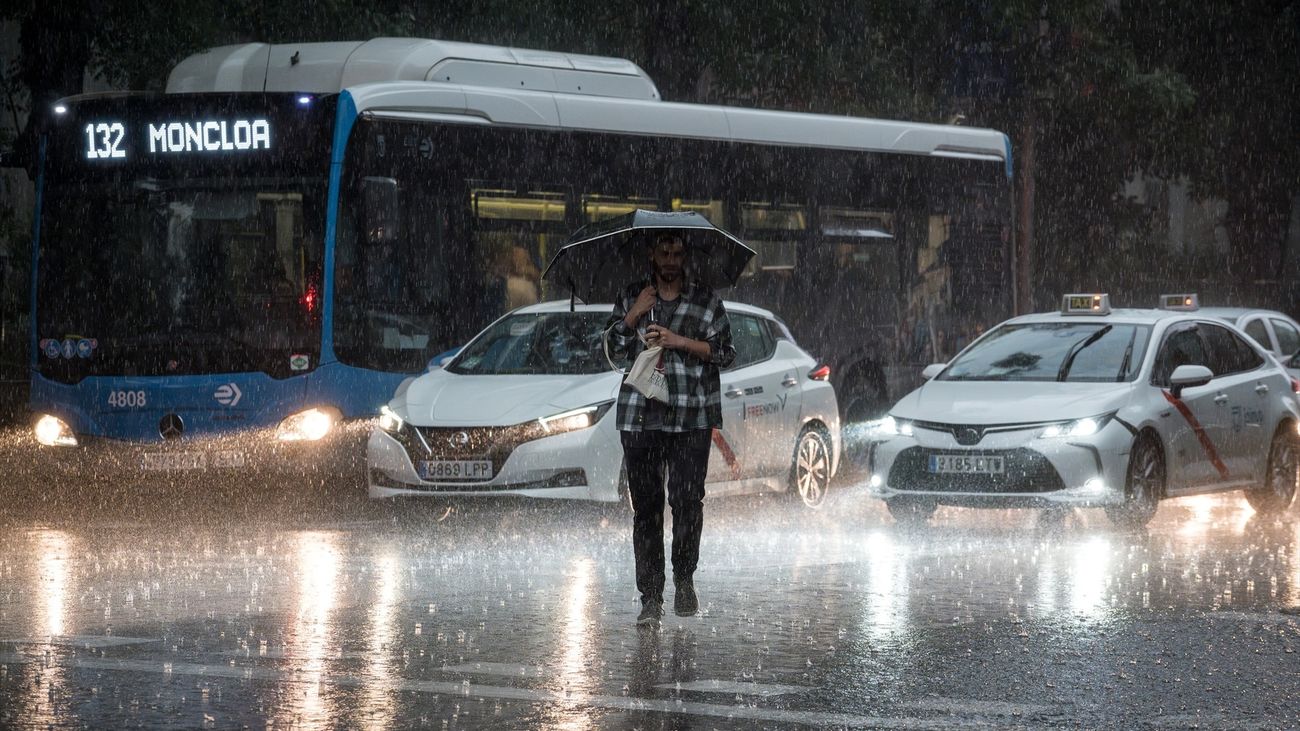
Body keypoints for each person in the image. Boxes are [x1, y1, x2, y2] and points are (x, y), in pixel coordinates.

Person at [607, 232, 736, 626]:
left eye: (677, 253)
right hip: (640, 417)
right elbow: (611, 352)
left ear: (685, 257)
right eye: (663, 252)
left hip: (690, 417)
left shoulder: (705, 300)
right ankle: (650, 598)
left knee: (686, 503)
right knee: (645, 510)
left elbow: (726, 353)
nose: (670, 260)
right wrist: (633, 317)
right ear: (651, 254)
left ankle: (683, 578)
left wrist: (678, 340)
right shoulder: (634, 296)